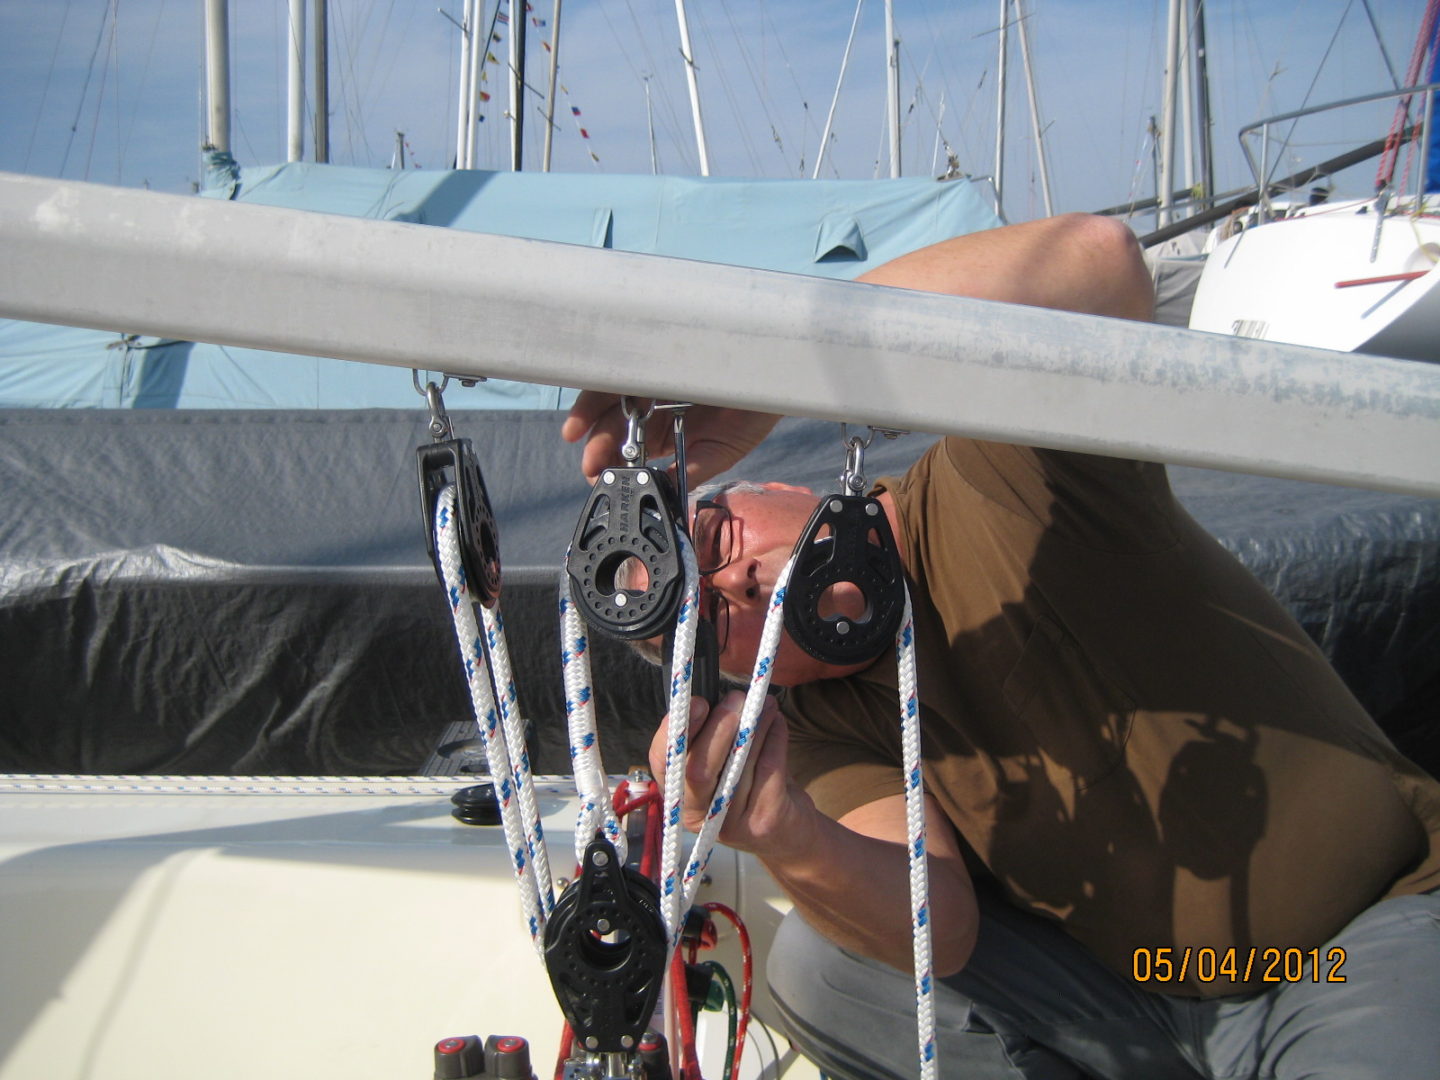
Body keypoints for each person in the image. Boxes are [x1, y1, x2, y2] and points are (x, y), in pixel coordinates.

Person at [561, 214, 1440, 1079]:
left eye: (717, 543)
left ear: (785, 485)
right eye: (713, 624)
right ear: (742, 675)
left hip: (1347, 943)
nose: (738, 583)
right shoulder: (817, 724)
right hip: (1140, 998)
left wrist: (772, 369)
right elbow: (942, 923)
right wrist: (784, 834)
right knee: (818, 972)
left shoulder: (996, 471)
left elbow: (1100, 268)